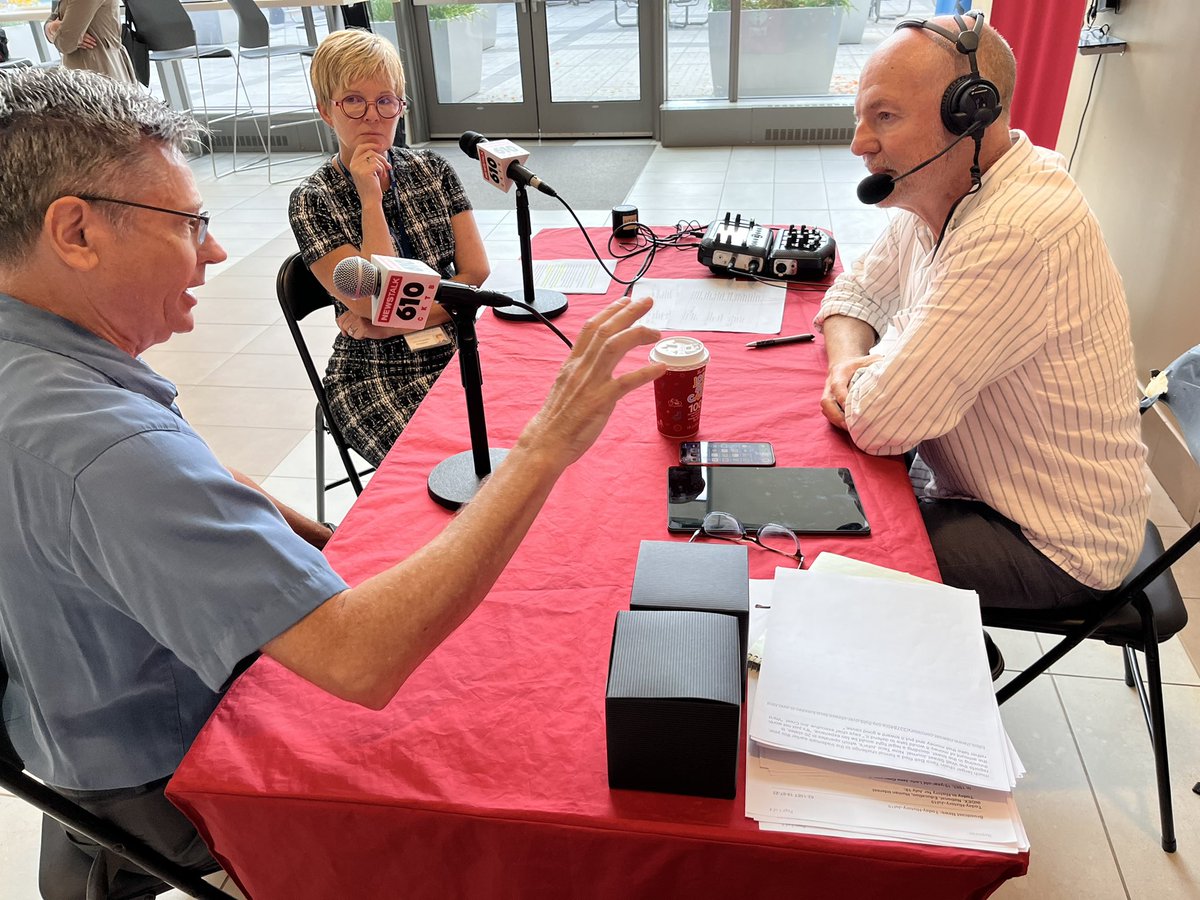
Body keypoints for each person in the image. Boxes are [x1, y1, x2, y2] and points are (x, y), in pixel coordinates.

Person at [0, 66, 663, 889]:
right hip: (162, 780)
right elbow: (363, 661)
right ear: (76, 232)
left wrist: (333, 541)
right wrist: (547, 445)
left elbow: (192, 466)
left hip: (62, 718)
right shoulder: (102, 449)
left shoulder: (39, 364)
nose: (213, 249)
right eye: (190, 222)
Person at [816, 12, 1149, 615]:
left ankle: (947, 683)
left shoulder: (1013, 231)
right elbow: (852, 296)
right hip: (977, 489)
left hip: (1051, 541)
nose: (860, 143)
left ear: (970, 114)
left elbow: (882, 421)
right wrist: (848, 365)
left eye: (885, 118)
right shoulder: (946, 192)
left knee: (819, 552)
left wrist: (873, 372)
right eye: (861, 117)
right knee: (824, 501)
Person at [289, 29, 488, 467]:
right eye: (354, 101)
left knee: (517, 447)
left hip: (458, 346)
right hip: (374, 372)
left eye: (386, 101)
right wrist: (369, 200)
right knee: (446, 472)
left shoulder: (433, 169)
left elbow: (474, 275)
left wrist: (395, 323)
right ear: (326, 110)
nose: (373, 117)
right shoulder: (312, 199)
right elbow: (375, 300)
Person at [44, 0, 136, 84]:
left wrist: (55, 29)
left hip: (96, 75)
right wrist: (52, 28)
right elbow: (52, 20)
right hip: (86, 74)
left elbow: (66, 42)